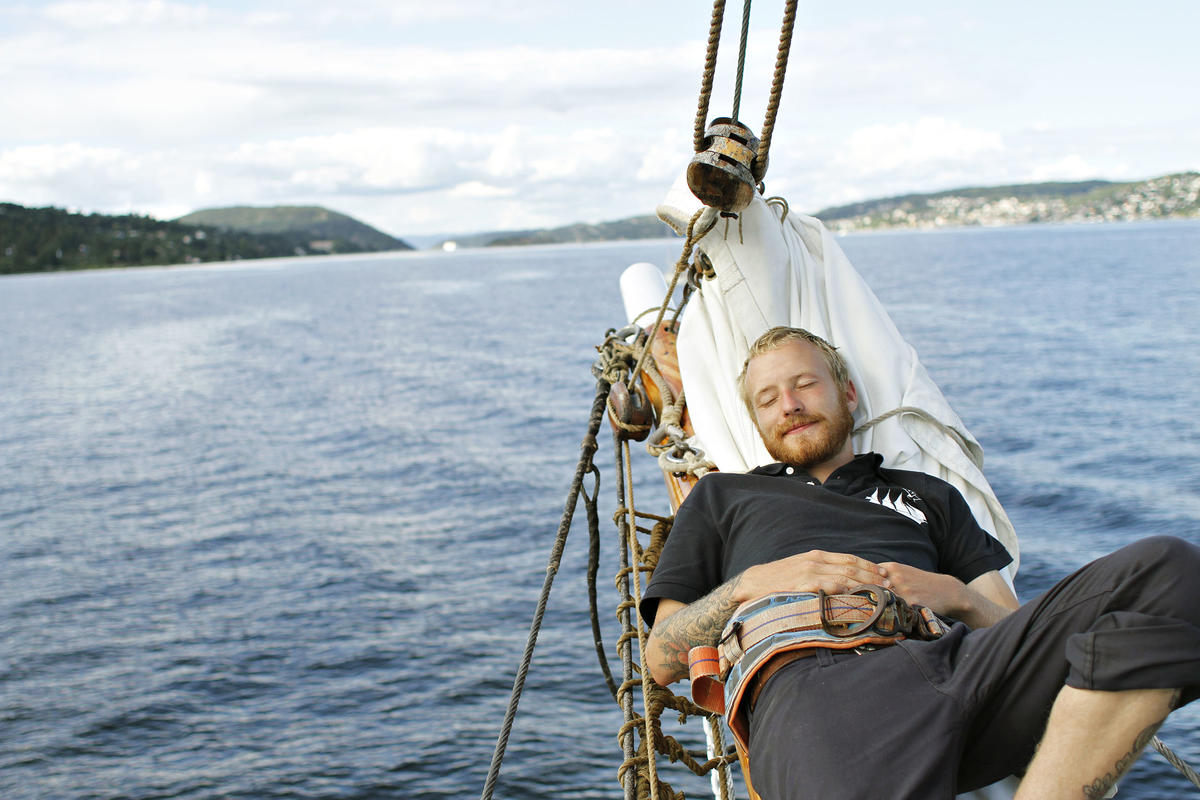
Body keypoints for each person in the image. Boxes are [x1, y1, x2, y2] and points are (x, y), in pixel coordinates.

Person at [641, 326, 1200, 800]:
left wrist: (958, 597)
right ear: (757, 424)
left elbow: (1010, 624)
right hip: (817, 683)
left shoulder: (930, 494)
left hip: (960, 664)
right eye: (767, 399)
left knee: (1172, 573)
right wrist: (752, 585)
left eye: (805, 384)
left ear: (849, 393)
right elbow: (661, 656)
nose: (789, 404)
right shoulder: (723, 498)